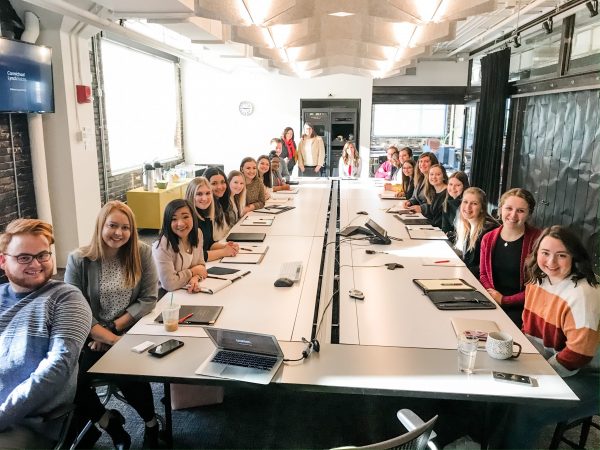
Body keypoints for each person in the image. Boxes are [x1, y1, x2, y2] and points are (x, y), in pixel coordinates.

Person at [492, 226, 599, 449]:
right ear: (536, 252)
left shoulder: (583, 293)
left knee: (525, 409)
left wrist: (537, 377)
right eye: (545, 252)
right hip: (551, 364)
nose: (551, 262)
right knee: (495, 389)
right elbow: (529, 330)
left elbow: (578, 354)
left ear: (574, 257)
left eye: (562, 255)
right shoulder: (537, 280)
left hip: (590, 374)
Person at [65, 201, 160, 449]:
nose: (118, 233)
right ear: (100, 225)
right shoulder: (79, 260)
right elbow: (74, 308)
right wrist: (102, 335)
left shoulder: (142, 252)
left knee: (129, 374)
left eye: (125, 227)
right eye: (112, 225)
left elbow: (149, 298)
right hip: (89, 334)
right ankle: (109, 422)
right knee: (69, 382)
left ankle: (151, 425)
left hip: (128, 329)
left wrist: (113, 330)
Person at [0, 219, 91, 449]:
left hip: (28, 422)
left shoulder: (66, 298)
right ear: (3, 260)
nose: (36, 264)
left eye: (42, 255)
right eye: (24, 257)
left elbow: (57, 366)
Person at [480, 188, 541, 328]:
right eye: (509, 208)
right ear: (500, 209)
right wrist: (493, 296)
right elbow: (483, 275)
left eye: (520, 211)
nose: (513, 215)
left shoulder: (538, 240)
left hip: (523, 307)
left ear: (529, 214)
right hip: (492, 301)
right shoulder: (488, 238)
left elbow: (538, 286)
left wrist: (504, 300)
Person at [152, 198, 207, 294]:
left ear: (193, 217)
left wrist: (195, 278)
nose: (180, 223)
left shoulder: (198, 233)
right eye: (174, 219)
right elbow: (169, 284)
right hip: (163, 296)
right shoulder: (161, 246)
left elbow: (201, 266)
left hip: (184, 290)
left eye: (185, 217)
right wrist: (193, 272)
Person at [185, 177, 239, 262]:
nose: (205, 198)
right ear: (191, 195)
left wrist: (225, 246)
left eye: (208, 193)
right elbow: (196, 256)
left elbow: (209, 244)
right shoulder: (188, 220)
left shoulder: (205, 215)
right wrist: (223, 252)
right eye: (199, 194)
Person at [453, 188, 499, 278]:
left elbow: (485, 267)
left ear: (482, 208)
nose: (468, 207)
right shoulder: (469, 225)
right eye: (465, 202)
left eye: (474, 203)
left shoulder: (488, 230)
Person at [407, 163, 448, 228]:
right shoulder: (435, 192)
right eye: (431, 174)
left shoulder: (447, 193)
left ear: (444, 177)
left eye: (438, 174)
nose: (434, 177)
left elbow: (441, 221)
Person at [203, 167, 236, 241]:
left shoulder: (221, 202)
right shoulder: (205, 207)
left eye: (222, 182)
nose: (220, 187)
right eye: (214, 183)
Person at [441, 171, 470, 238]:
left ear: (464, 187)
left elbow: (466, 232)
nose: (453, 188)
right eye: (450, 184)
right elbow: (445, 229)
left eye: (457, 185)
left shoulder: (467, 206)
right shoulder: (447, 203)